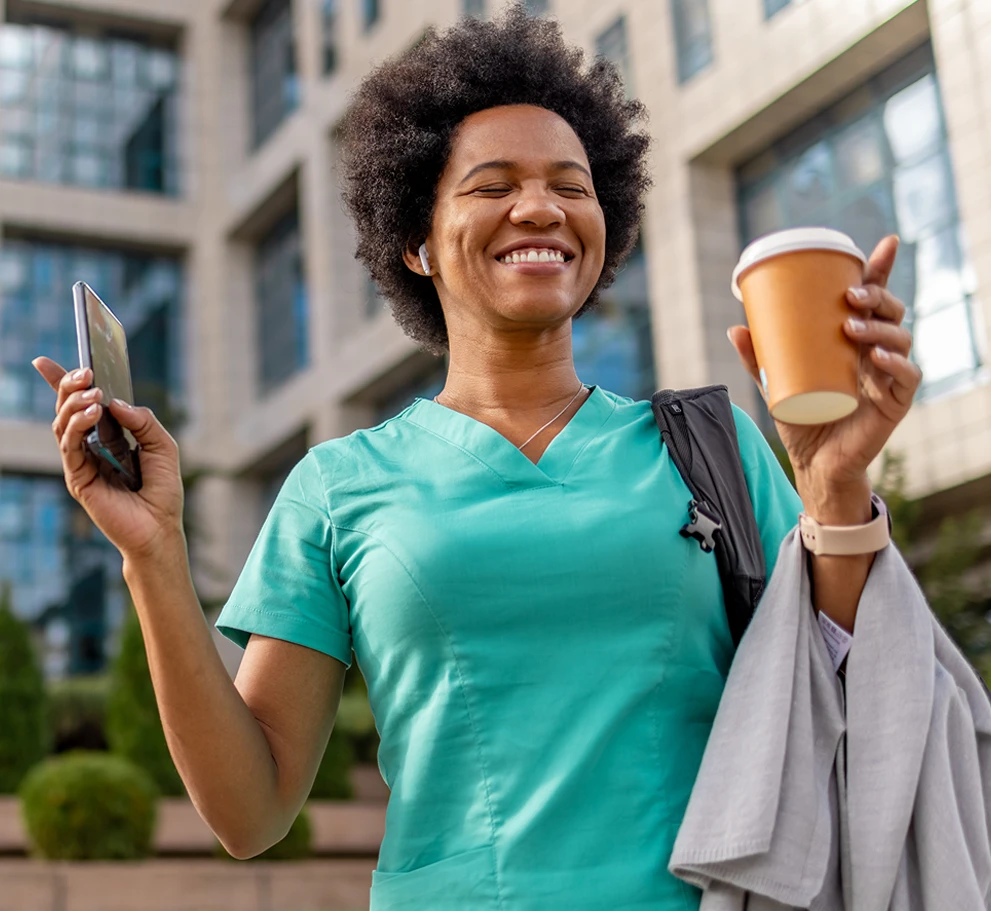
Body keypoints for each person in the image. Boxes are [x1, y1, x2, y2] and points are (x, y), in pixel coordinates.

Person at [33, 6, 920, 909]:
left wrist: (835, 485)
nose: (540, 207)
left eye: (571, 186)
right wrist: (152, 556)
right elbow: (249, 812)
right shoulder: (336, 487)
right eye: (492, 185)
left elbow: (853, 701)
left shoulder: (714, 449)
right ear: (416, 242)